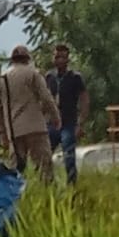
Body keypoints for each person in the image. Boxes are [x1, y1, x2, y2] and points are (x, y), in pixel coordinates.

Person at [0, 45, 62, 182]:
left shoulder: (2, 79)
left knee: (15, 172)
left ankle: (17, 197)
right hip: (35, 128)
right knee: (45, 168)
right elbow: (46, 97)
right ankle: (47, 196)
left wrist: (3, 133)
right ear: (27, 59)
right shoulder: (33, 74)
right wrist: (56, 117)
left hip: (14, 130)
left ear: (12, 60)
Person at [44, 43, 89, 184]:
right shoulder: (49, 77)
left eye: (63, 57)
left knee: (69, 156)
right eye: (57, 57)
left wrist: (80, 123)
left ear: (68, 59)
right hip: (52, 123)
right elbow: (43, 99)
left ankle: (72, 186)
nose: (60, 60)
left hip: (68, 123)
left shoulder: (75, 77)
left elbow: (84, 99)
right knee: (44, 156)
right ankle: (47, 184)